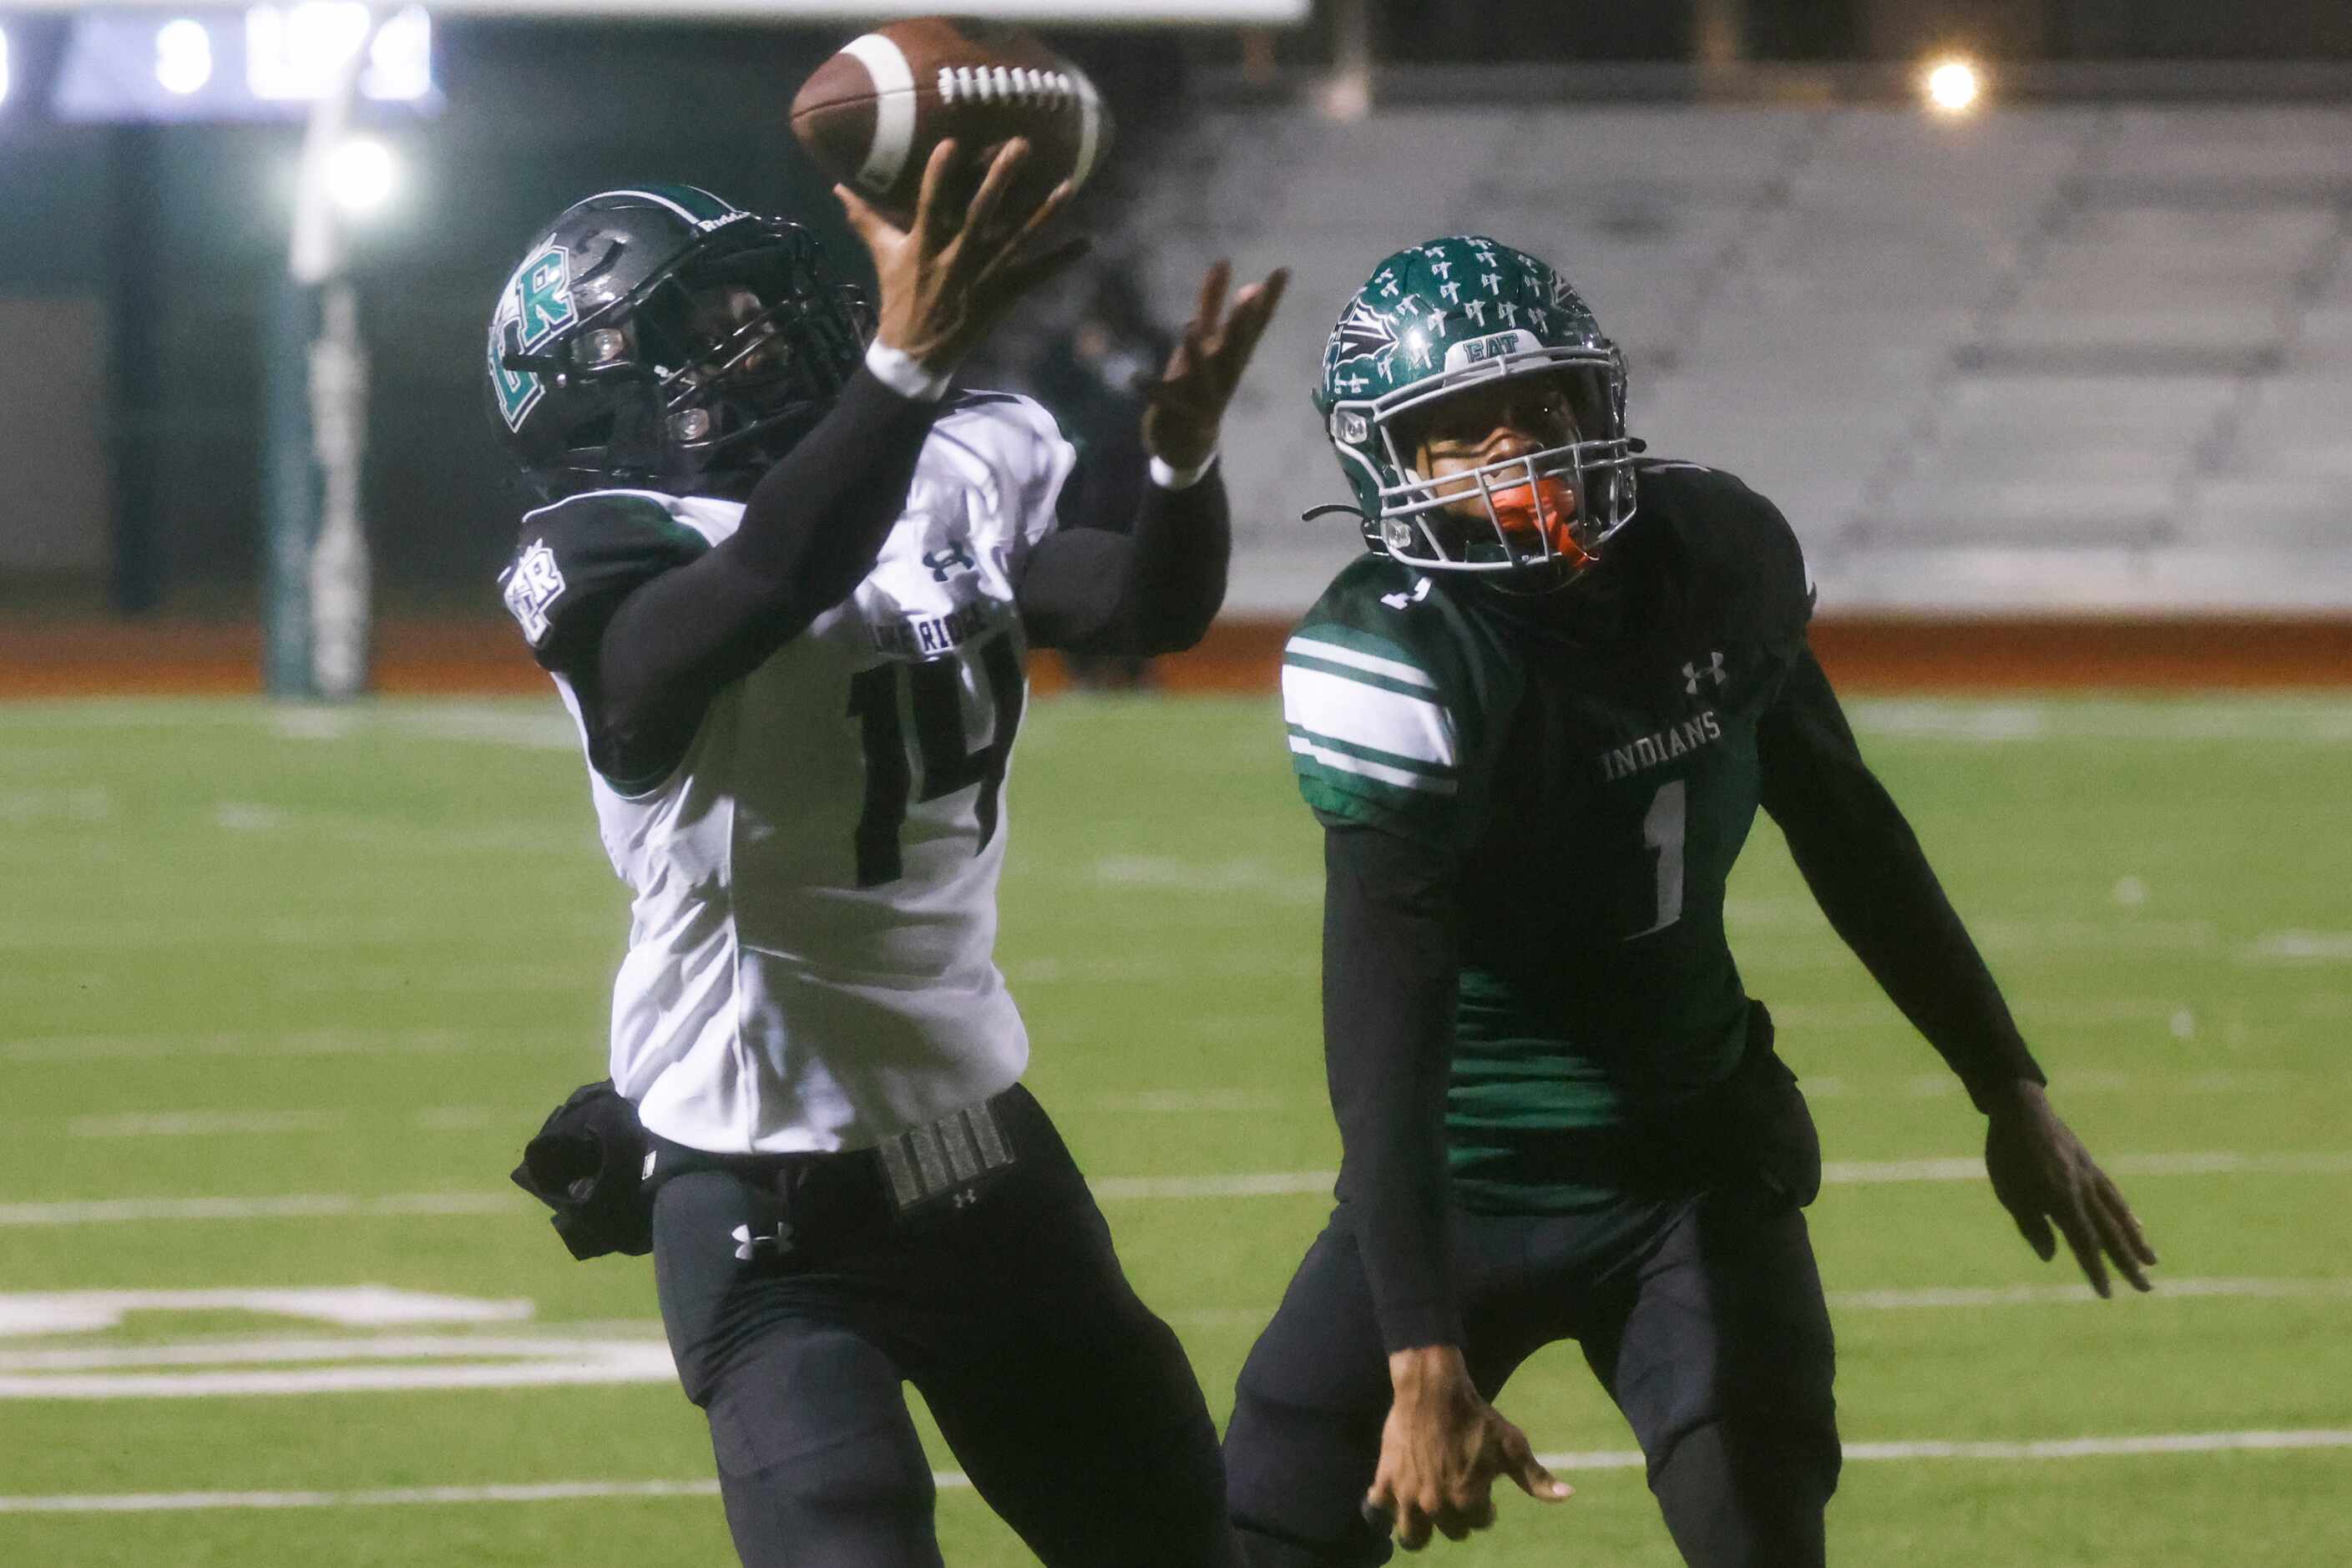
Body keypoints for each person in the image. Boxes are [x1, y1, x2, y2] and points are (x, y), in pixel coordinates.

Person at [1221, 235, 2157, 1567]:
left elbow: (1847, 825)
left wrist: (2003, 1082)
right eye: (1456, 432)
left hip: (1690, 1165)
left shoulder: (1710, 554)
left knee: (1758, 1524)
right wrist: (1419, 1350)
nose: (1515, 454)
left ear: (1596, 403)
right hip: (1466, 1171)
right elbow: (1383, 1016)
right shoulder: (1401, 649)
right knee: (1262, 1521)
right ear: (1393, 462)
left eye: (1540, 410)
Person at [486, 144, 1286, 1568]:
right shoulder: (612, 555)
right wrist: (904, 374)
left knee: (1176, 1541)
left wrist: (1179, 461)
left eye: (746, 304)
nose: (754, 337)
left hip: (966, 1138)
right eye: (703, 326)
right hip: (753, 1189)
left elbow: (1143, 607)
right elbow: (775, 576)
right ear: (604, 390)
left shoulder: (949, 459)